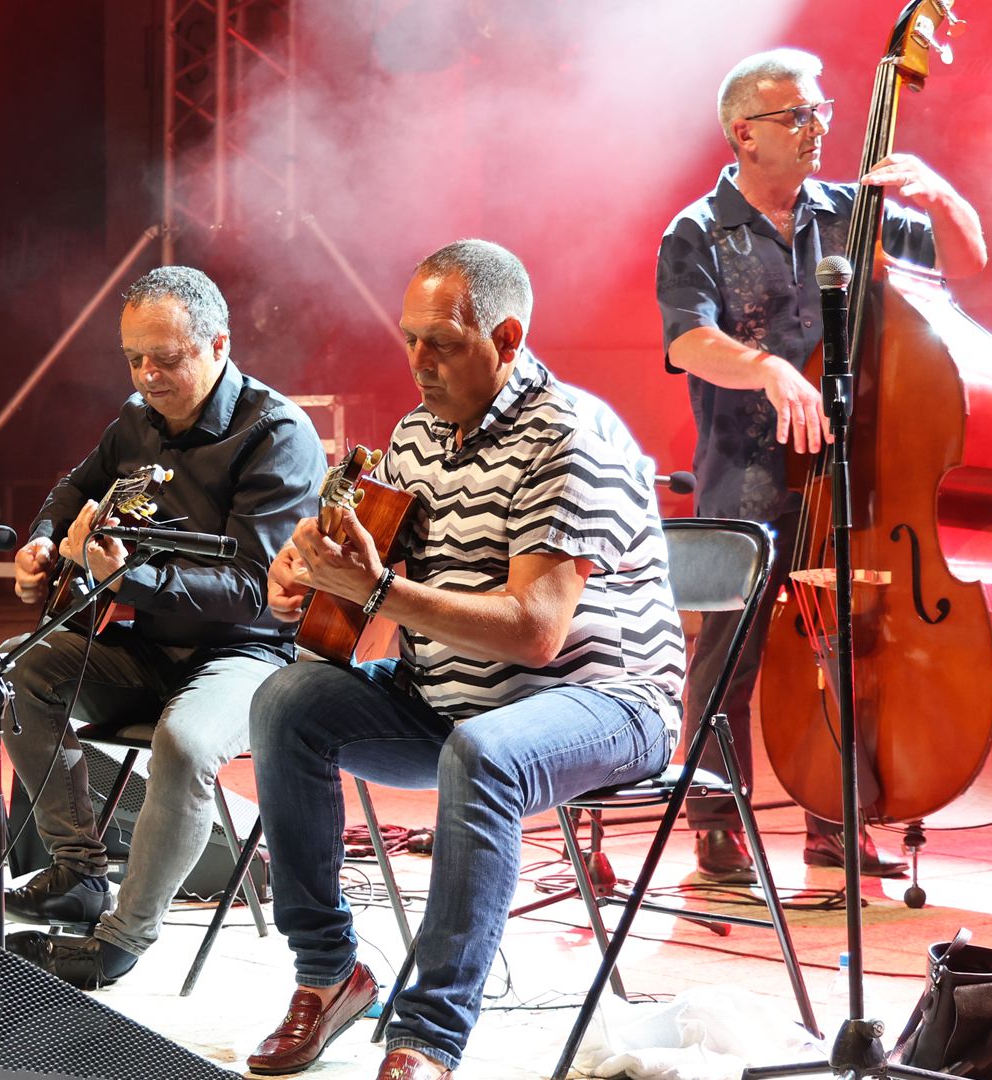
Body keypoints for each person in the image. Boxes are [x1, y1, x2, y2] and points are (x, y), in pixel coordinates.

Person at [245, 240, 685, 1080]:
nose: (418, 362)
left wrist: (376, 593)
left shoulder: (570, 436)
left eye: (441, 343)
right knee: (285, 703)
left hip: (607, 701)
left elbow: (535, 630)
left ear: (509, 337)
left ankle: (427, 1036)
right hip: (449, 701)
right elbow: (356, 592)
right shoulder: (415, 435)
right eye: (409, 338)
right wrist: (305, 580)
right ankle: (329, 974)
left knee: (483, 756)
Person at [655, 48, 987, 882]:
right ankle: (716, 821)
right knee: (726, 654)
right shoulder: (698, 229)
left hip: (853, 473)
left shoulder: (855, 215)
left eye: (821, 112)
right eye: (796, 116)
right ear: (744, 132)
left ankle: (837, 818)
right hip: (749, 471)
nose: (818, 129)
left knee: (844, 646)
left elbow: (970, 270)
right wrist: (765, 366)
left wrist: (943, 199)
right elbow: (689, 339)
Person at [0, 265, 327, 989]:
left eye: (166, 359)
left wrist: (122, 576)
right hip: (146, 644)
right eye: (134, 358)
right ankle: (78, 871)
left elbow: (252, 593)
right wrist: (46, 542)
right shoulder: (135, 421)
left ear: (218, 345)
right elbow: (73, 488)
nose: (147, 375)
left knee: (185, 741)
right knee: (20, 670)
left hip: (249, 654)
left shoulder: (276, 434)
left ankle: (124, 936)